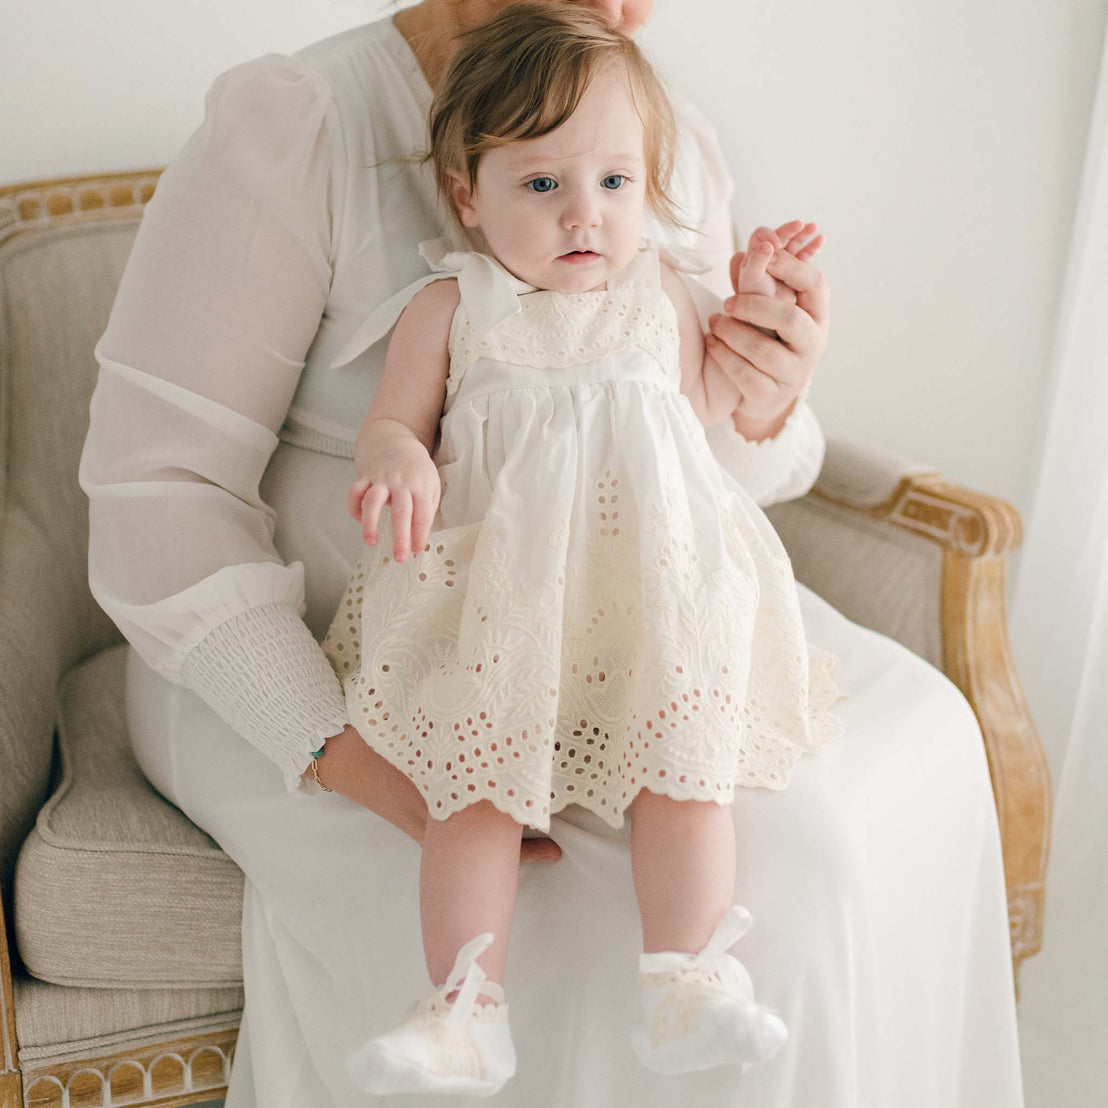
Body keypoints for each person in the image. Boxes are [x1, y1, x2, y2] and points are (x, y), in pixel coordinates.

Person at [79, 0, 1024, 1104]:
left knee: (927, 738)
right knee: (746, 885)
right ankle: (471, 1014)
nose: (634, 12)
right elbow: (159, 494)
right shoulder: (297, 126)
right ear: (468, 194)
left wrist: (767, 393)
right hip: (367, 659)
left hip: (632, 613)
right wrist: (350, 752)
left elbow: (707, 458)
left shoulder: (645, 126)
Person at [319, 6, 842, 1095]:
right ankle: (464, 1005)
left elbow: (711, 413)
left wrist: (763, 306)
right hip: (507, 612)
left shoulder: (664, 296)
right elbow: (392, 423)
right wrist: (396, 462)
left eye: (613, 183)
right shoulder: (453, 304)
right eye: (542, 184)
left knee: (686, 778)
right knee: (473, 798)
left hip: (652, 604)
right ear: (469, 194)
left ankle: (685, 980)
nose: (584, 216)